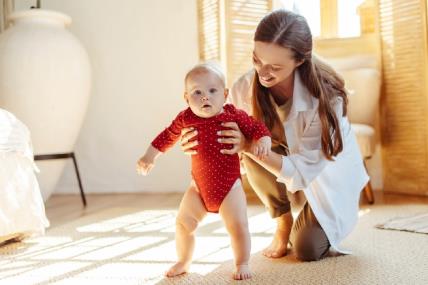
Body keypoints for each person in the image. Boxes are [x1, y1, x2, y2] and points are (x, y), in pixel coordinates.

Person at [180, 10, 369, 262]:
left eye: (275, 67)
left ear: (300, 61)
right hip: (279, 156)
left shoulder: (326, 99)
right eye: (257, 60)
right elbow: (222, 132)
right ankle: (283, 220)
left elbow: (304, 171)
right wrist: (199, 142)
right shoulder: (244, 88)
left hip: (325, 174)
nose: (262, 72)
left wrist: (247, 145)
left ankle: (308, 218)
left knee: (307, 249)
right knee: (248, 145)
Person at [136, 63, 272, 279]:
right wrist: (149, 156)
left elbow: (256, 127)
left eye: (212, 91)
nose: (205, 97)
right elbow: (167, 136)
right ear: (186, 97)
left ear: (225, 94)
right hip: (198, 188)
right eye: (197, 92)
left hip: (230, 188)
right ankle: (183, 260)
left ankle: (242, 262)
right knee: (183, 223)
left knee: (237, 225)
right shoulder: (186, 118)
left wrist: (263, 139)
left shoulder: (233, 115)